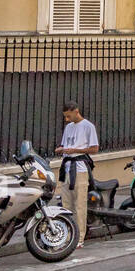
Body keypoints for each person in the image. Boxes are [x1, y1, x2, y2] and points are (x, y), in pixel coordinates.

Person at [55, 101, 100, 249]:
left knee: (80, 204)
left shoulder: (88, 126)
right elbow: (66, 144)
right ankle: (68, 234)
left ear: (76, 111)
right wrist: (62, 149)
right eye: (65, 117)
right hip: (67, 167)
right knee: (66, 204)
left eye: (68, 116)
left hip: (79, 169)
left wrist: (76, 150)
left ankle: (80, 237)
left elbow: (94, 149)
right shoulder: (68, 127)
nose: (67, 119)